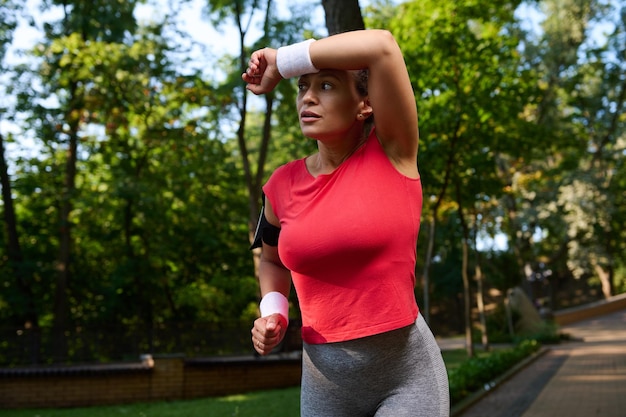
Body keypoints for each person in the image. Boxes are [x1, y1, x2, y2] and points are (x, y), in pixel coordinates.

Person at [242, 29, 450, 417]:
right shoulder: (281, 185)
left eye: (326, 85)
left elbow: (382, 46)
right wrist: (274, 312)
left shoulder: (392, 153)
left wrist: (281, 62)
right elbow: (271, 259)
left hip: (405, 376)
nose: (307, 96)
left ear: (365, 105)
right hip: (325, 384)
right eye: (302, 87)